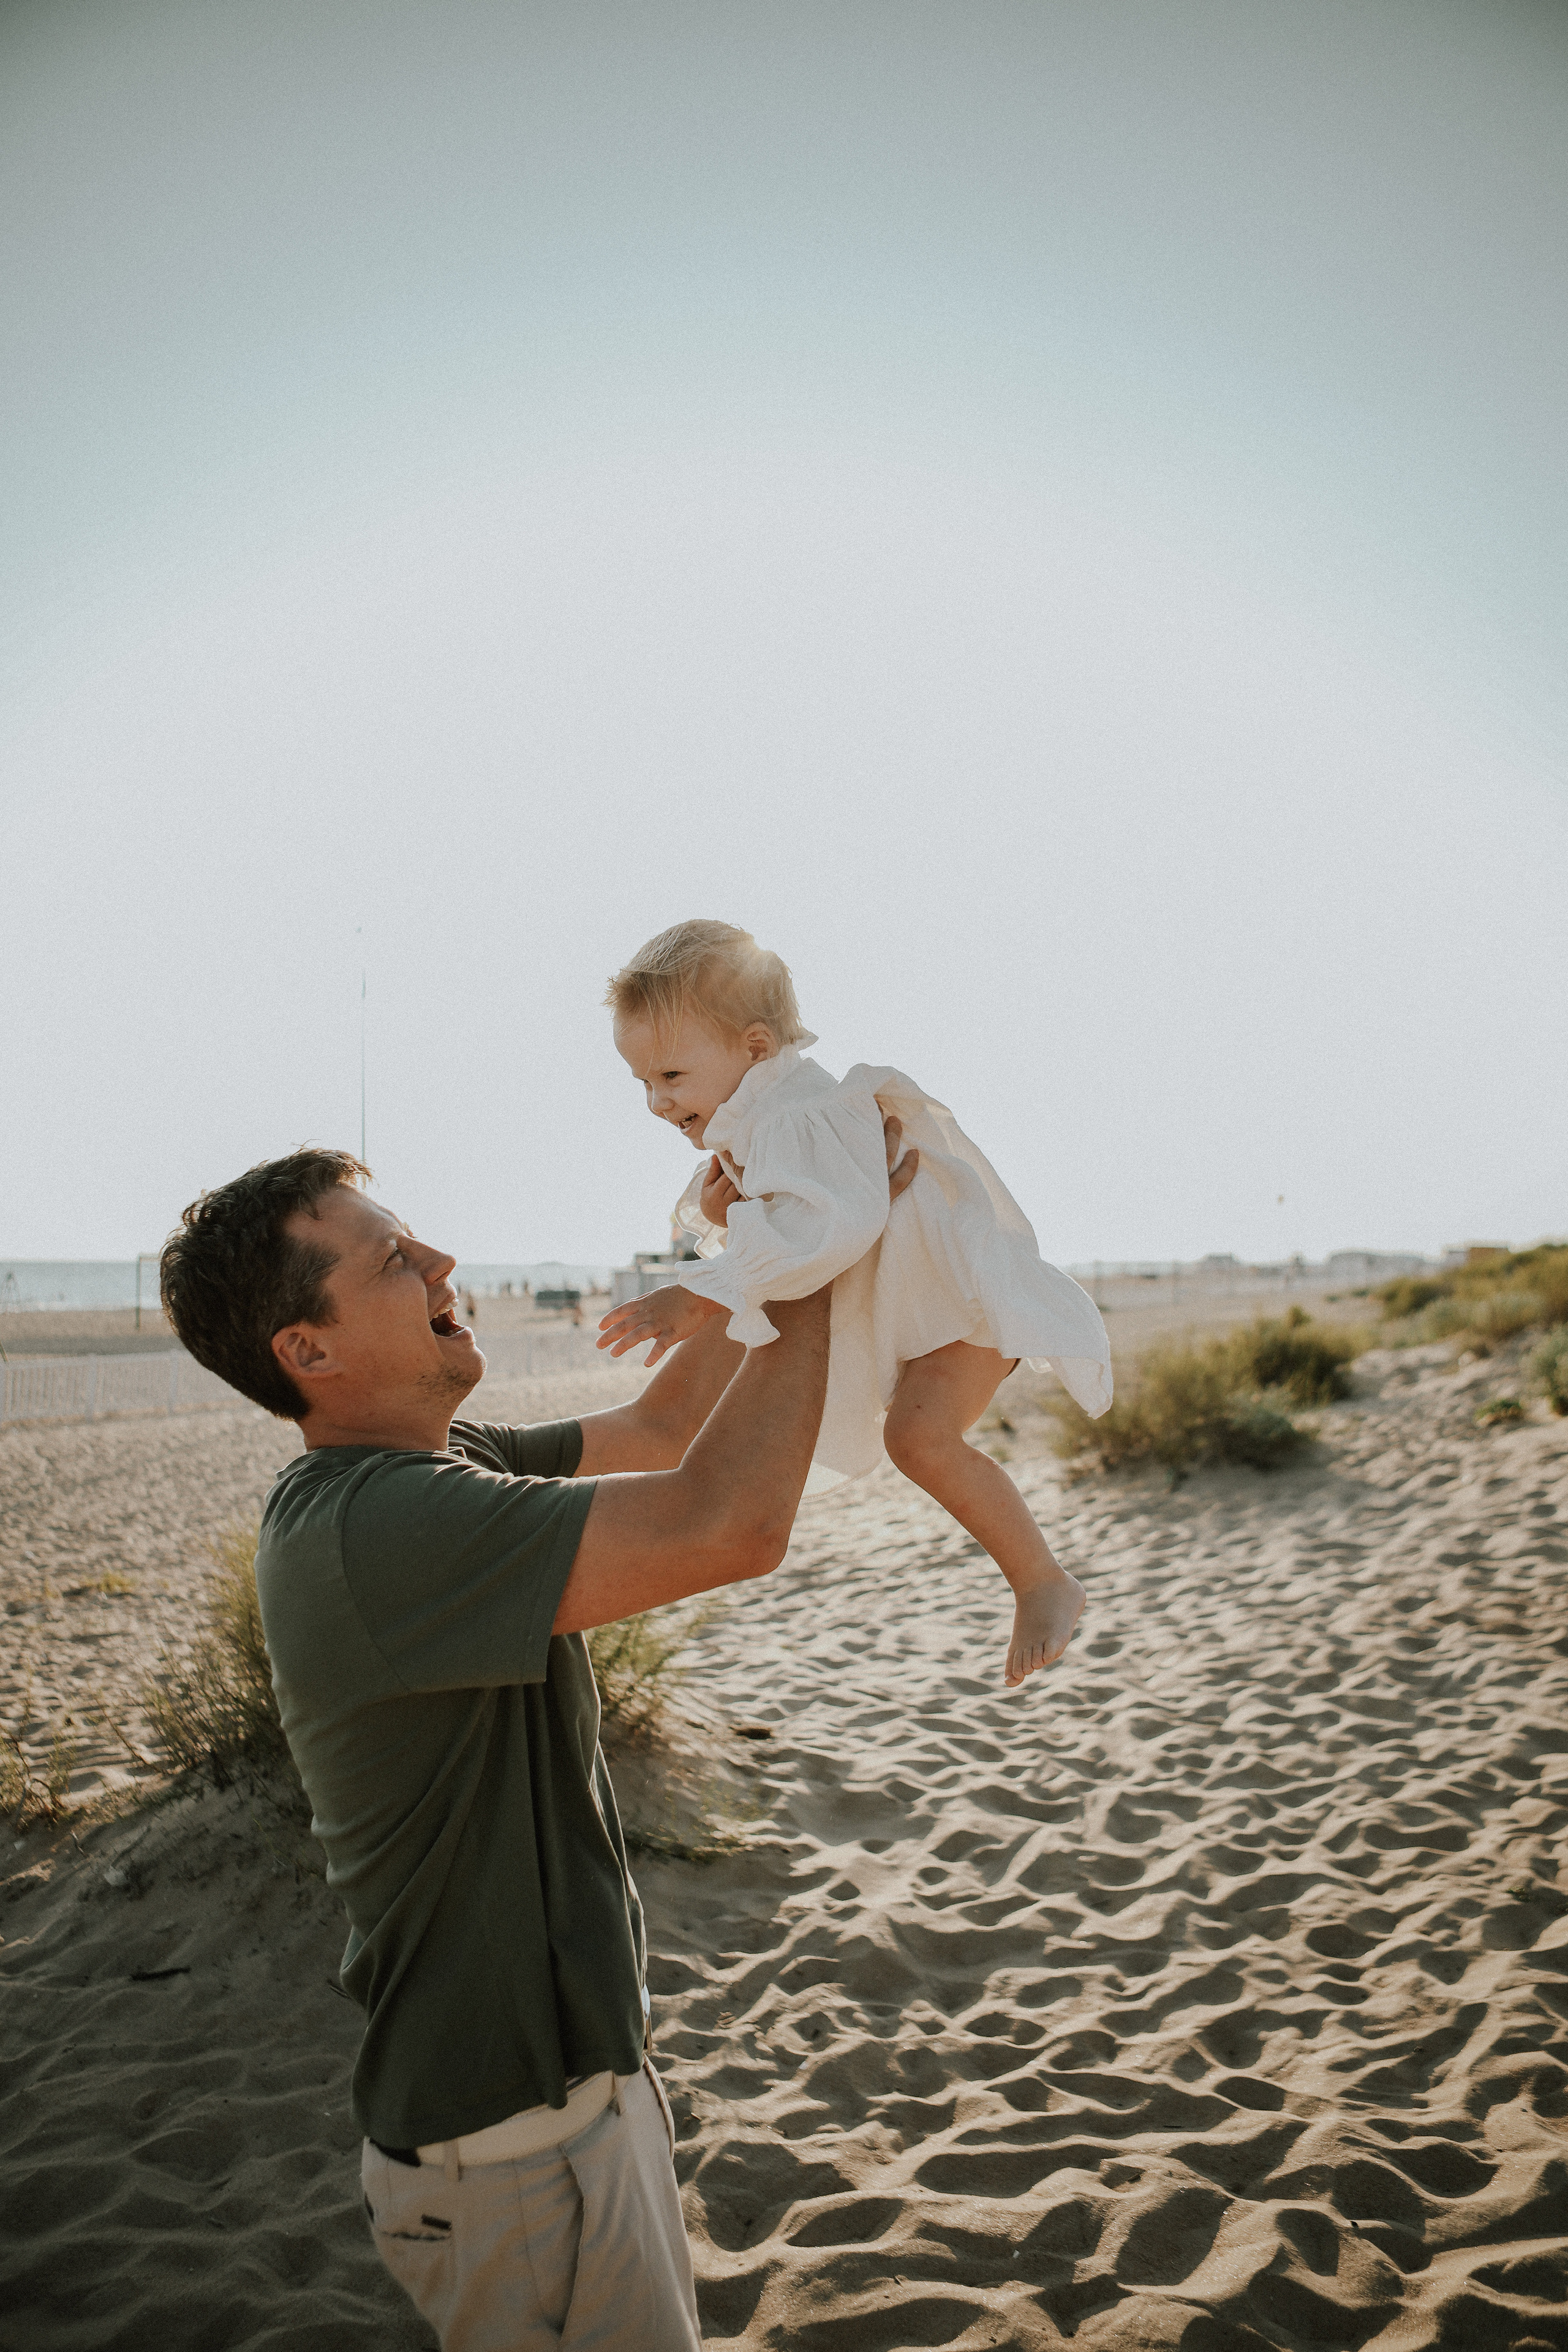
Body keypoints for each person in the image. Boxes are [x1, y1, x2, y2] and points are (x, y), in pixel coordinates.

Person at [159, 1136, 914, 2351]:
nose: (445, 1260)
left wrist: (751, 1249)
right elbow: (724, 1522)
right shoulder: (377, 1527)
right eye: (397, 1259)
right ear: (308, 1351)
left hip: (563, 2115)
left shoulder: (434, 1467)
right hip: (511, 2151)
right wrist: (823, 1256)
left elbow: (671, 1422)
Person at [599, 919, 1114, 1688]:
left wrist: (701, 1292)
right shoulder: (769, 1119)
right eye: (642, 1082)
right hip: (931, 1311)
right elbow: (791, 1217)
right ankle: (1039, 1579)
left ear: (755, 1048)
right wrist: (720, 1218)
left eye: (670, 1077)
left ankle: (1042, 1580)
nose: (654, 1101)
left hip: (963, 1305)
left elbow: (830, 1225)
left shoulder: (797, 1113)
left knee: (919, 1440)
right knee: (917, 1440)